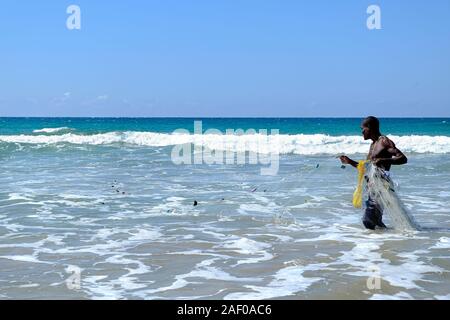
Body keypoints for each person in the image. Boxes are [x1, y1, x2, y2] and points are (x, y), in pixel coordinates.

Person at [339, 116, 408, 230]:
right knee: (374, 220)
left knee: (368, 221)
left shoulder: (384, 142)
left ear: (370, 127)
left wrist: (384, 160)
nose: (362, 132)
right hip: (372, 188)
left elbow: (403, 159)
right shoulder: (373, 145)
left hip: (382, 186)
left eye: (363, 128)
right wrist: (350, 161)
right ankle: (385, 240)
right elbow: (368, 168)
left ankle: (381, 241)